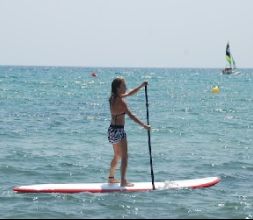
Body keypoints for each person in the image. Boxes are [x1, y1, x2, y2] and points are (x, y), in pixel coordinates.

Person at [107, 77, 151, 187]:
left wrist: (141, 86)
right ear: (118, 88)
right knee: (125, 156)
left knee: (117, 155)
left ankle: (111, 178)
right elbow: (132, 116)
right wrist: (144, 125)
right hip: (119, 131)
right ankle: (123, 181)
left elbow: (130, 93)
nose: (126, 87)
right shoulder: (122, 102)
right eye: (123, 86)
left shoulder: (112, 98)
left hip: (111, 130)